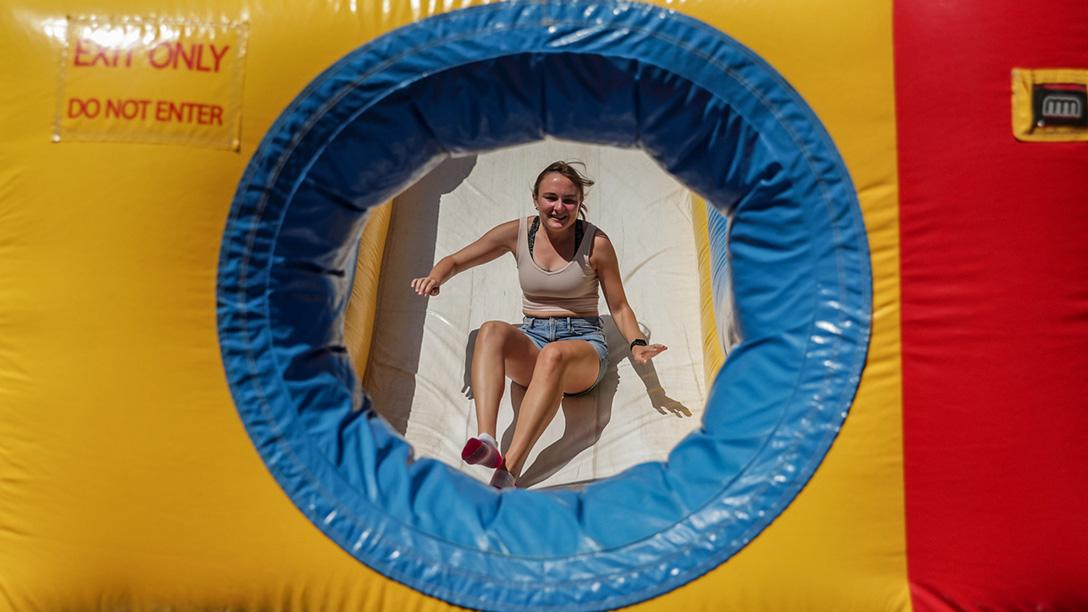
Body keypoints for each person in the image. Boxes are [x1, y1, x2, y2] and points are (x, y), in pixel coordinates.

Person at [410, 161, 667, 489]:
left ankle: (509, 470)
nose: (559, 207)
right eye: (551, 198)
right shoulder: (518, 233)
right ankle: (486, 438)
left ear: (579, 204)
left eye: (569, 200)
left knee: (554, 356)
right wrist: (436, 277)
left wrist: (636, 346)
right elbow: (457, 260)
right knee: (490, 330)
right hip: (533, 338)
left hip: (582, 347)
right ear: (535, 199)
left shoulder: (595, 243)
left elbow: (619, 307)